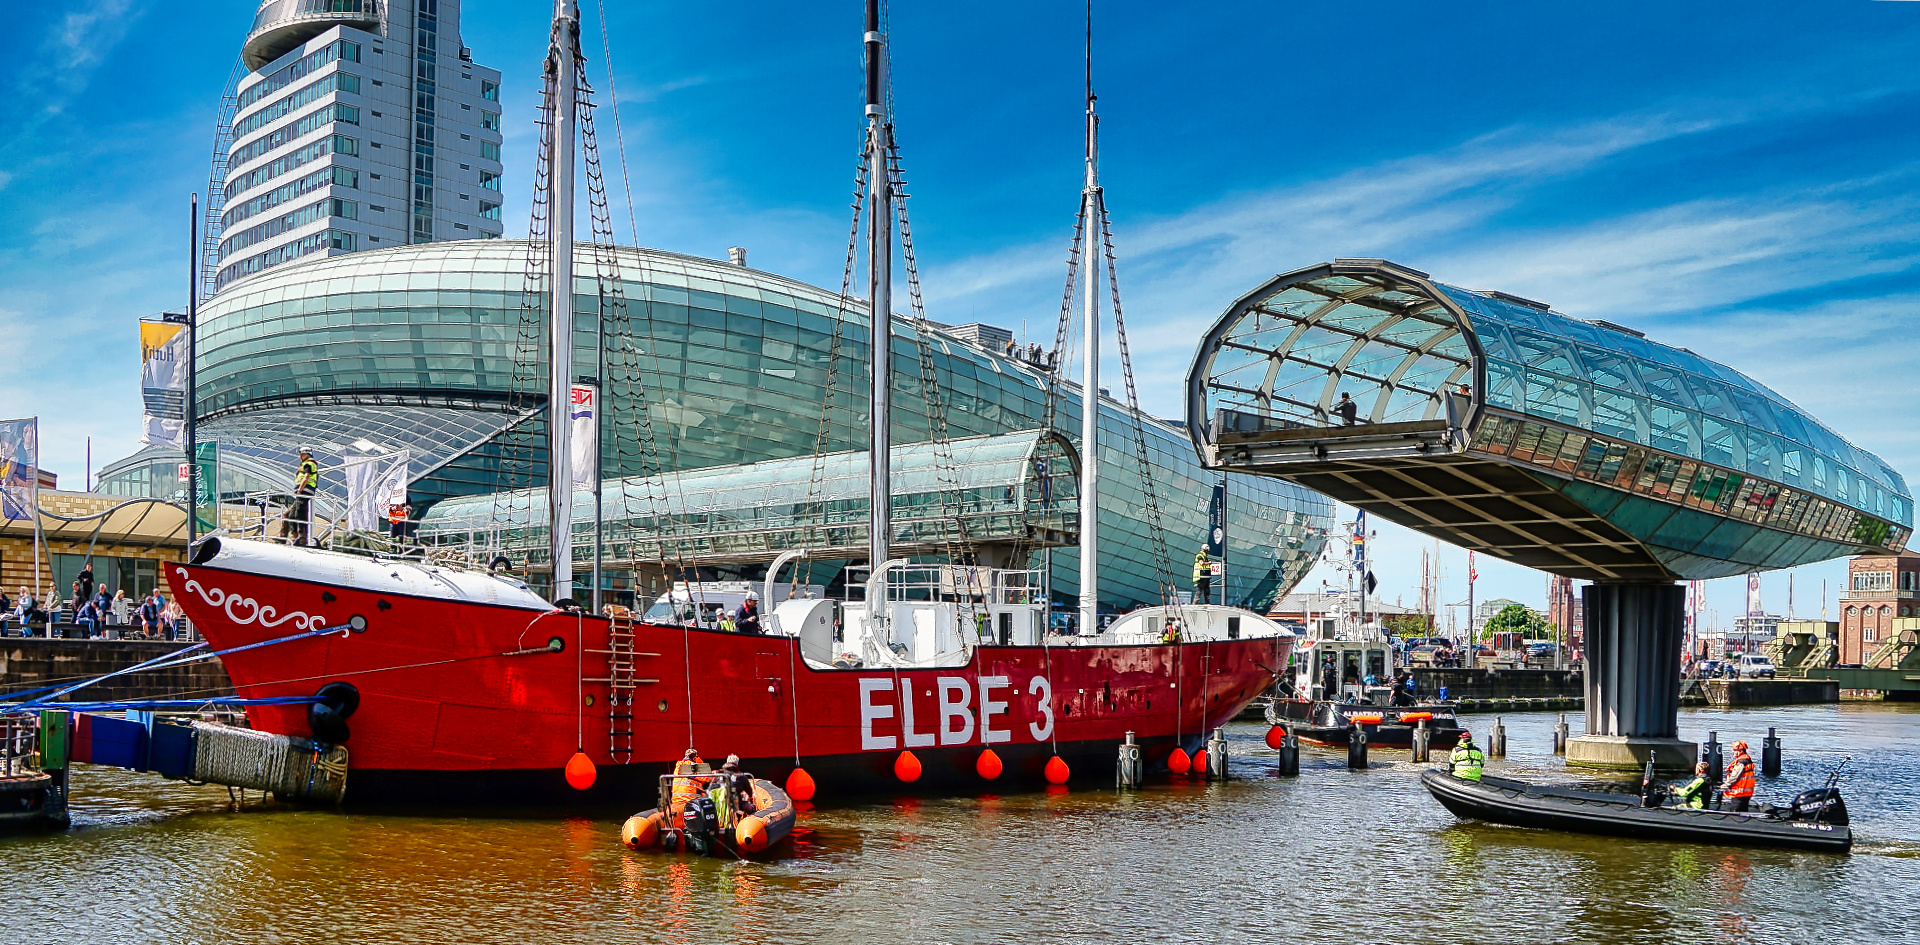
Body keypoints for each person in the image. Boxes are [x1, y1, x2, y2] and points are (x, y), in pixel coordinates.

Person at [283, 447, 320, 546]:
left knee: (299, 513)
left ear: (307, 454)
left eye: (302, 454)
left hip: (304, 491)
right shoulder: (305, 464)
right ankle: (292, 536)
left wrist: (300, 489)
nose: (300, 456)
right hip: (301, 493)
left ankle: (300, 538)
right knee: (290, 514)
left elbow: (306, 477)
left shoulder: (309, 464)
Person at [1723, 740, 1757, 812]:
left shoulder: (1741, 763)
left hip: (1739, 793)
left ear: (1740, 751)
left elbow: (1735, 777)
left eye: (1735, 750)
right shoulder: (1747, 760)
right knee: (1743, 811)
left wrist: (1724, 786)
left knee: (1736, 813)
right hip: (1746, 793)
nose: (1733, 752)